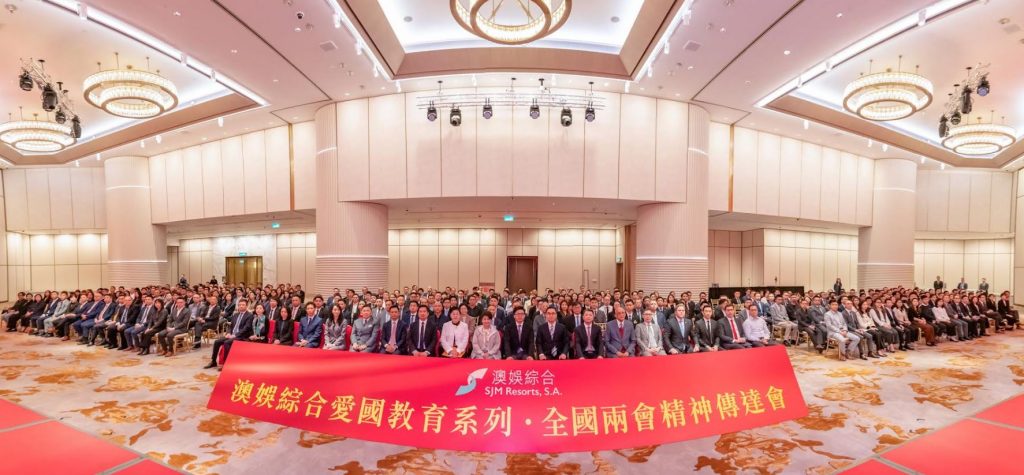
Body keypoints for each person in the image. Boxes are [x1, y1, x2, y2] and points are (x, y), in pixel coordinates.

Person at [204, 299, 254, 370]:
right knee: (217, 342)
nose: (241, 306)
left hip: (241, 336)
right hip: (232, 335)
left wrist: (235, 335)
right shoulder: (235, 315)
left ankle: (226, 363)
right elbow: (231, 326)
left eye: (243, 305)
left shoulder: (249, 315)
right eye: (240, 305)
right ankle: (213, 361)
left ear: (246, 306)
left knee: (227, 342)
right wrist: (228, 333)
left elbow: (246, 328)